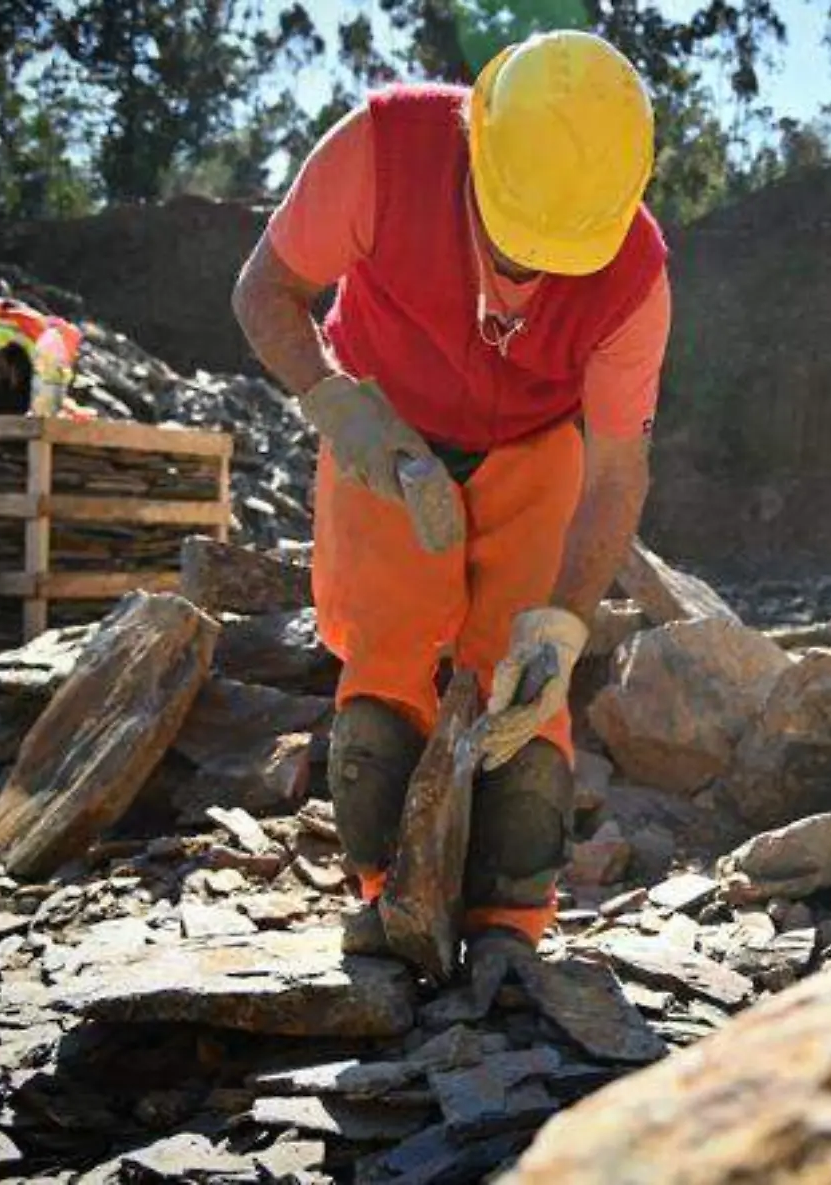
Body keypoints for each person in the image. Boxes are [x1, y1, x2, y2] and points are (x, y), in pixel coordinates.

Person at [231, 29, 671, 948]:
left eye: (555, 258)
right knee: (384, 665)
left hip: (534, 442)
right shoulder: (382, 151)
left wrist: (564, 625)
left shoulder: (634, 276)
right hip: (383, 419)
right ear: (474, 143)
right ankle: (391, 901)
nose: (526, 276)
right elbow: (264, 291)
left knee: (519, 686)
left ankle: (513, 922)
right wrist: (336, 407)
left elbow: (617, 471)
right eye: (513, 247)